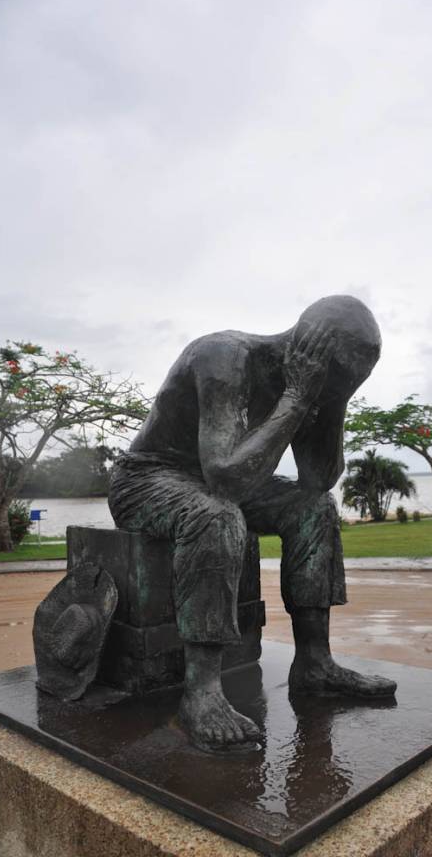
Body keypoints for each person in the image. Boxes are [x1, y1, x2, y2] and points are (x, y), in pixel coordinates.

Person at [108, 294, 396, 751]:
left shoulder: (309, 390)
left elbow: (319, 480)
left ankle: (314, 664)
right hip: (148, 478)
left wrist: (331, 403)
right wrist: (300, 396)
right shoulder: (223, 356)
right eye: (337, 381)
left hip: (221, 478)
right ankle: (201, 693)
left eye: (349, 386)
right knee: (216, 517)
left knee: (314, 510)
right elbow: (224, 480)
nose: (336, 390)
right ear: (306, 350)